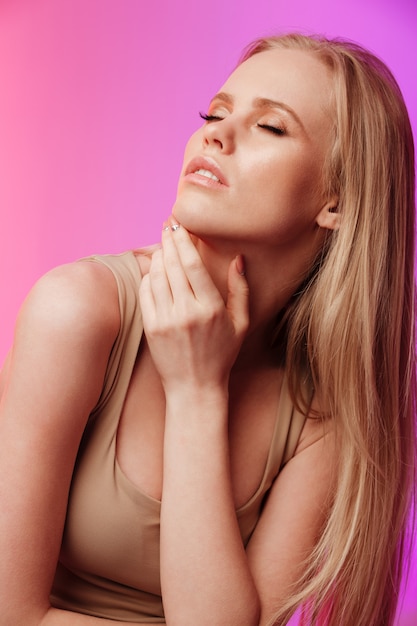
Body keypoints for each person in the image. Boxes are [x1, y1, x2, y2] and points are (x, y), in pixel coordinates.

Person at [0, 32, 415, 626]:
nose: (215, 134)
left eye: (270, 127)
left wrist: (197, 390)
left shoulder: (328, 411)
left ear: (338, 200)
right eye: (215, 113)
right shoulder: (77, 311)